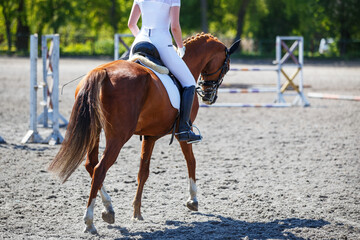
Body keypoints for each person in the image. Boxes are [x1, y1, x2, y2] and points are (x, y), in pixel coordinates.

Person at [128, 0, 202, 143]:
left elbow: (131, 24)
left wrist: (140, 37)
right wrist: (180, 47)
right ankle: (184, 129)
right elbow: (174, 27)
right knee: (189, 82)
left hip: (139, 42)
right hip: (161, 42)